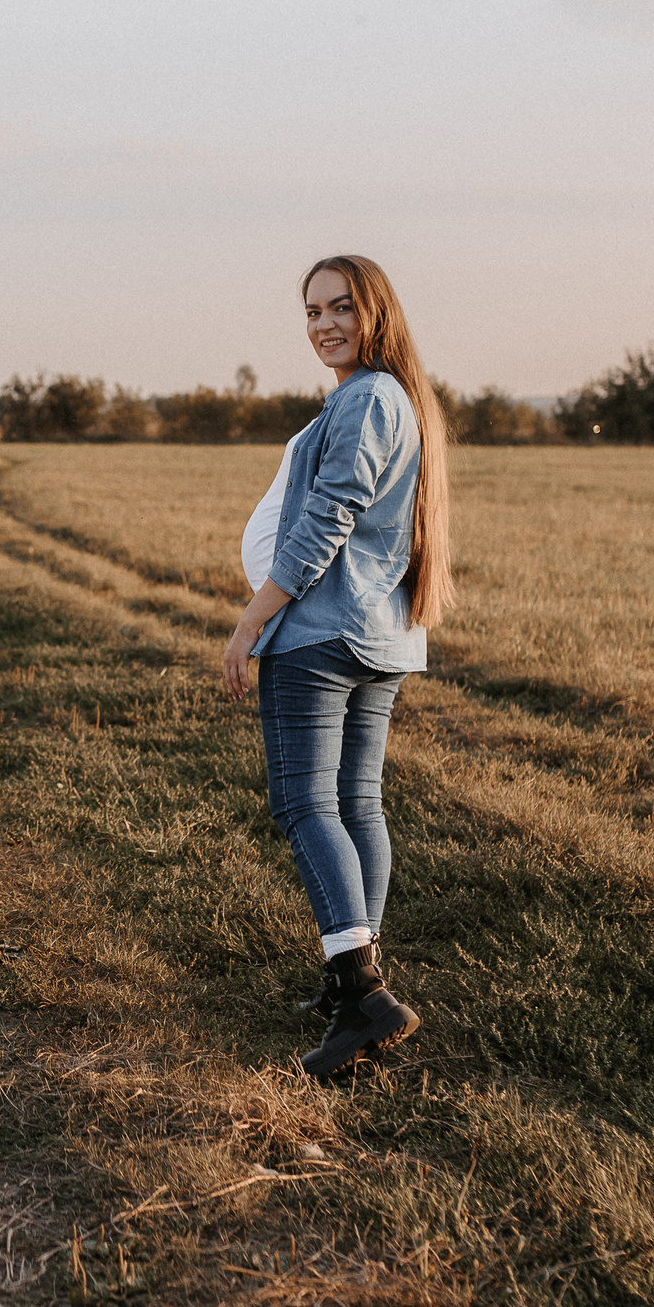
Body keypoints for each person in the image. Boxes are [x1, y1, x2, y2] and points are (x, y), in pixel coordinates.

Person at [221, 254, 456, 1079]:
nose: (325, 324)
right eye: (313, 311)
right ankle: (351, 974)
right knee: (356, 803)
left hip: (321, 634)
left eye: (341, 308)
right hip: (379, 637)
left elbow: (328, 515)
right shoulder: (400, 401)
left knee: (303, 803)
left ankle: (362, 993)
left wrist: (255, 619)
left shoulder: (365, 399)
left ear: (376, 313)